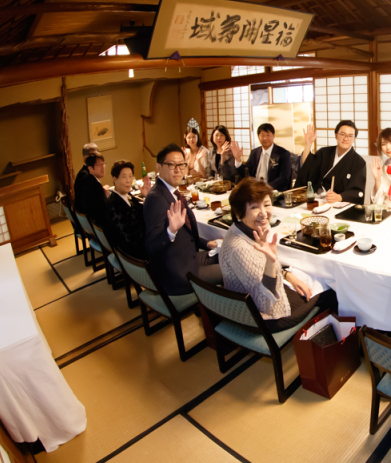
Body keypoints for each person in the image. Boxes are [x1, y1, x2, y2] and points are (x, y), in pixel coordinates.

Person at [220, 178, 338, 331]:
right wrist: (271, 261)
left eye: (267, 204)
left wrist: (287, 275)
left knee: (311, 277)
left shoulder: (241, 230)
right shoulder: (240, 248)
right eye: (254, 207)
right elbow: (265, 304)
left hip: (256, 302)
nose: (263, 213)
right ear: (239, 212)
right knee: (331, 290)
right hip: (265, 317)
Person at [144, 144, 222, 296]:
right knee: (233, 269)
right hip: (177, 273)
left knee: (227, 254)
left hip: (186, 258)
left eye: (181, 164)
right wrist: (170, 231)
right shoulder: (156, 199)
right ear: (159, 167)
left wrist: (206, 243)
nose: (177, 169)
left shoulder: (170, 191)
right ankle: (217, 313)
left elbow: (187, 232)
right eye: (171, 165)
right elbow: (150, 247)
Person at [295, 121, 366, 204]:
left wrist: (340, 197)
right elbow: (307, 168)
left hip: (339, 204)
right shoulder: (323, 153)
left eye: (350, 136)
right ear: (336, 135)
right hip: (317, 200)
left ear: (354, 139)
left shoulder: (359, 162)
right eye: (342, 134)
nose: (345, 138)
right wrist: (308, 144)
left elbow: (357, 191)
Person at [105, 160, 150, 260]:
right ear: (114, 179)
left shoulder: (126, 195)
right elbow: (128, 240)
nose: (128, 180)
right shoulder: (114, 206)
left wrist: (146, 196)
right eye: (124, 177)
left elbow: (142, 212)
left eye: (130, 176)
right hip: (135, 256)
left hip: (139, 245)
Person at [242, 123, 293, 191]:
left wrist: (266, 187)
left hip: (273, 191)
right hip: (254, 191)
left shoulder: (283, 153)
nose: (265, 138)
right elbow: (246, 172)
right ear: (258, 137)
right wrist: (238, 160)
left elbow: (284, 178)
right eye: (262, 135)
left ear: (273, 136)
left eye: (268, 135)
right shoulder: (254, 153)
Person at [75, 151, 110, 226]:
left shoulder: (89, 180)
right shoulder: (95, 185)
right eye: (99, 165)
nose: (103, 167)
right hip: (100, 225)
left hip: (92, 224)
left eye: (103, 164)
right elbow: (104, 211)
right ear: (90, 169)